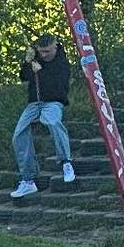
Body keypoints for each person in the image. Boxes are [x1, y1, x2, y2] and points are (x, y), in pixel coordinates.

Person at [11, 33, 75, 199]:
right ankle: (28, 180)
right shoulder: (36, 58)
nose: (44, 55)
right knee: (19, 134)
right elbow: (24, 76)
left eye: (47, 51)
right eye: (41, 51)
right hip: (34, 103)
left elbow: (58, 87)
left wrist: (41, 72)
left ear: (55, 47)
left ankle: (66, 162)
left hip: (53, 102)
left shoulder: (62, 63)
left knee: (52, 122)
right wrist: (27, 62)